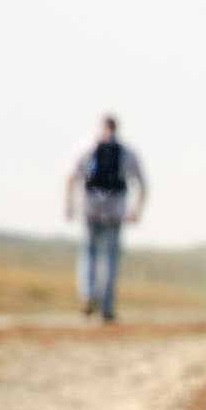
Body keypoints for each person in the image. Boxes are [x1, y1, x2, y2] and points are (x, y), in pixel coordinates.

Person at [64, 114, 146, 323]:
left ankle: (88, 296)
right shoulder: (126, 153)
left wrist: (69, 205)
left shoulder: (88, 148)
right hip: (115, 210)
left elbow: (72, 177)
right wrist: (136, 210)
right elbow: (142, 183)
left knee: (88, 254)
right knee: (109, 259)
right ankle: (106, 307)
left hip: (90, 207)